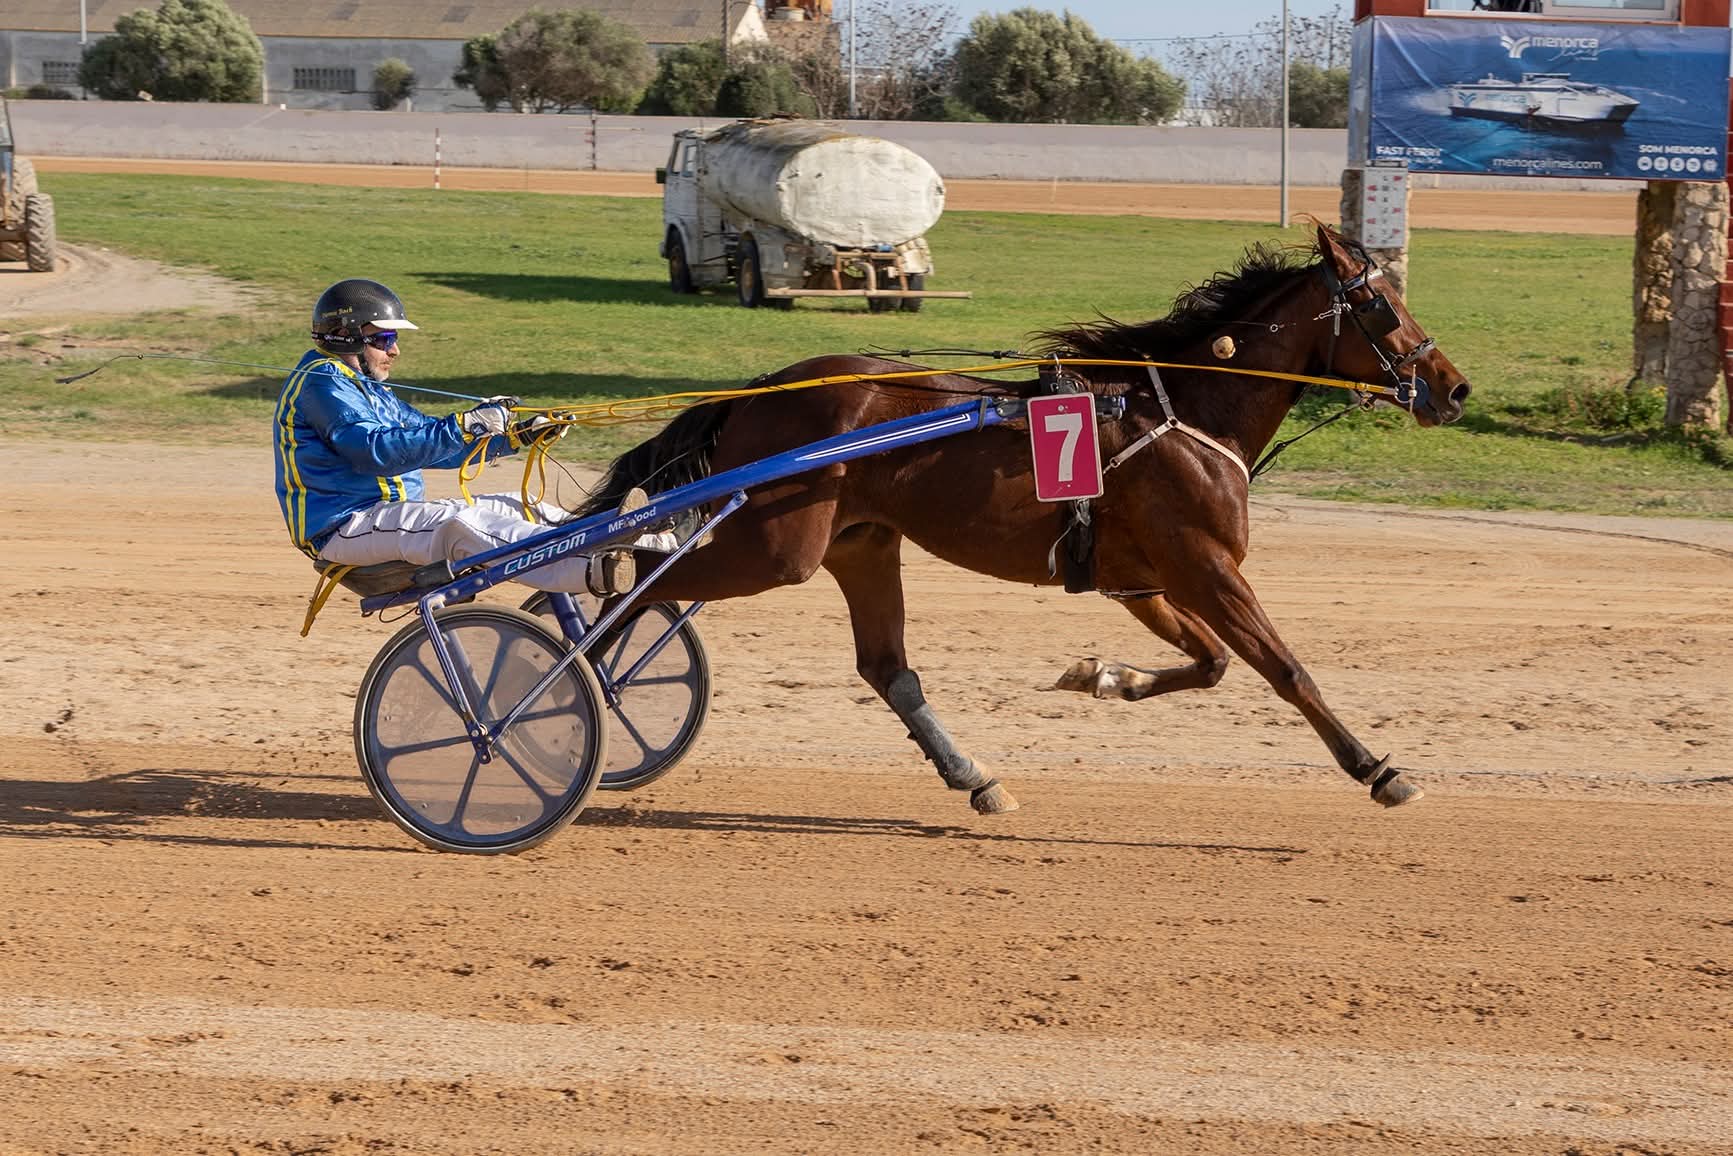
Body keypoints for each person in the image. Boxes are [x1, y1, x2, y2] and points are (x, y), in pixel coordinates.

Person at [273, 278, 649, 596]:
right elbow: (375, 453)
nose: (395, 350)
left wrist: (514, 437)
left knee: (515, 507)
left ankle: (648, 544)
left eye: (393, 338)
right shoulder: (323, 382)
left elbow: (433, 447)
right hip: (344, 527)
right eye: (384, 338)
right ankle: (590, 569)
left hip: (385, 519)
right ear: (344, 336)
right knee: (462, 524)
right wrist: (465, 424)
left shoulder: (367, 388)